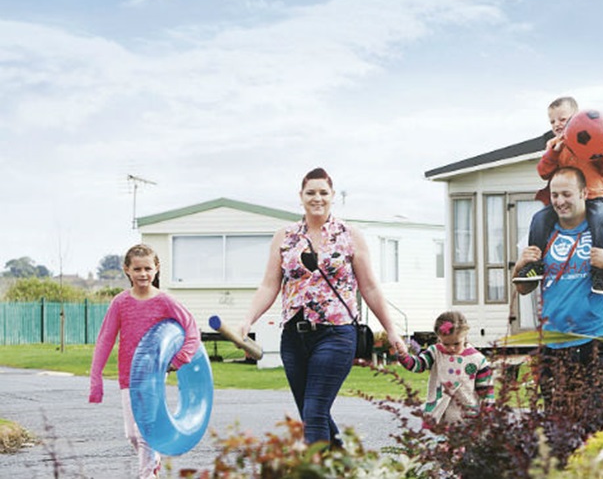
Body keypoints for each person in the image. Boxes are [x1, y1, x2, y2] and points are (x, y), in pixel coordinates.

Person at [238, 166, 408, 447]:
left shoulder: (349, 235)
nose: (317, 198)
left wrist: (391, 330)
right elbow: (269, 285)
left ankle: (313, 470)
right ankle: (342, 467)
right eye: (311, 192)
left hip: (336, 334)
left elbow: (370, 287)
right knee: (312, 413)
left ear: (332, 196)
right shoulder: (285, 236)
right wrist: (247, 320)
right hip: (294, 336)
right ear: (301, 196)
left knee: (314, 412)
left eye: (323, 192)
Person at [512, 166, 603, 437]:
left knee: (592, 425)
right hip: (554, 344)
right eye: (554, 195)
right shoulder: (538, 235)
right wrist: (520, 265)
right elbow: (523, 288)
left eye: (567, 194)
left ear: (584, 193)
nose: (560, 201)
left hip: (599, 341)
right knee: (557, 426)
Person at [89, 244, 201, 479]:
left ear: (157, 269)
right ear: (127, 270)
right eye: (137, 269)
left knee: (143, 432)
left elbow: (191, 330)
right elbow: (105, 340)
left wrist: (179, 360)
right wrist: (95, 379)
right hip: (127, 376)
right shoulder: (120, 303)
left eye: (148, 268)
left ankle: (147, 474)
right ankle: (154, 459)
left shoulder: (165, 302)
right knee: (131, 434)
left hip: (154, 375)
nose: (143, 274)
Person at [513, 97, 603, 295]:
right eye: (552, 121)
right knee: (539, 219)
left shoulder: (595, 138)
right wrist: (553, 154)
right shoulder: (553, 145)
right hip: (565, 202)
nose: (557, 124)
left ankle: (599, 271)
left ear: (577, 119)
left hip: (596, 197)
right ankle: (535, 264)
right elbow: (543, 172)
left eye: (562, 119)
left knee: (599, 219)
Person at [398, 311, 495, 426]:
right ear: (439, 338)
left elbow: (486, 389)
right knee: (446, 442)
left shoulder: (477, 360)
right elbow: (418, 365)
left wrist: (488, 412)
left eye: (456, 343)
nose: (451, 348)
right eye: (446, 344)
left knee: (461, 442)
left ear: (465, 335)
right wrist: (405, 357)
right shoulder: (435, 353)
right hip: (442, 410)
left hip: (467, 412)